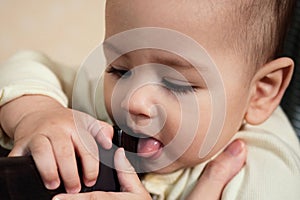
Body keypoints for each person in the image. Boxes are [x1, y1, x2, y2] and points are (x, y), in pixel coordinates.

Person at [1, 0, 300, 199]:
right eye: (120, 69)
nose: (134, 101)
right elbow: (28, 65)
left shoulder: (267, 174)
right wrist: (36, 111)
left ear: (261, 91)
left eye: (176, 83)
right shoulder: (94, 103)